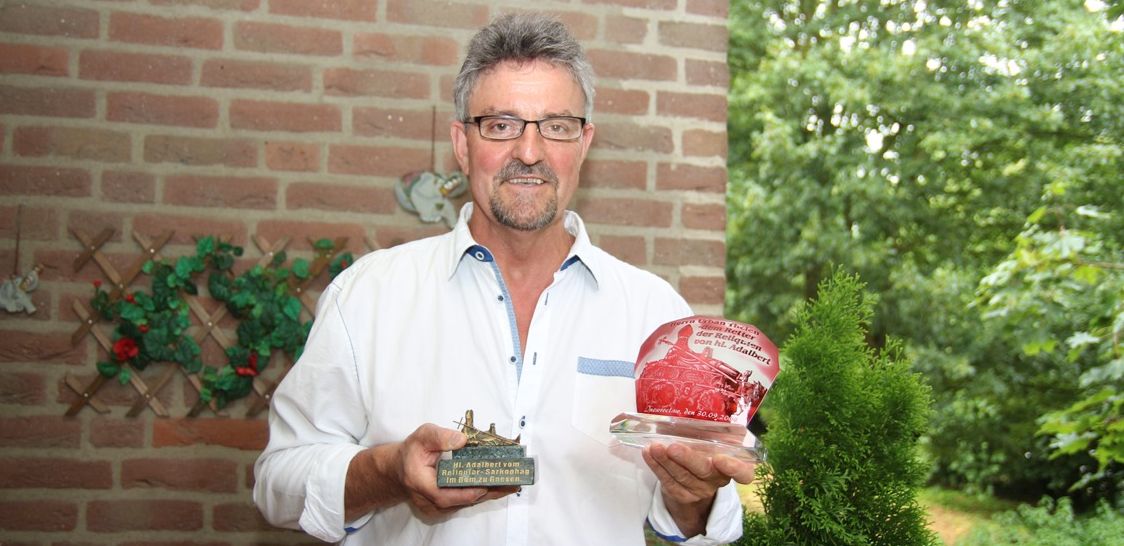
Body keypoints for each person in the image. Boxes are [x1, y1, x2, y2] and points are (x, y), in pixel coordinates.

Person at [253, 12, 752, 545]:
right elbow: (278, 484)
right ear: (462, 144)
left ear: (584, 143)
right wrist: (387, 472)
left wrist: (692, 496)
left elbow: (703, 519)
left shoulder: (655, 316)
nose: (530, 153)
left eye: (556, 126)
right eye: (501, 125)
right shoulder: (368, 295)